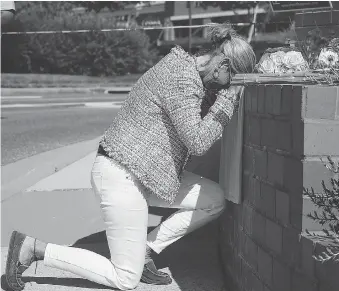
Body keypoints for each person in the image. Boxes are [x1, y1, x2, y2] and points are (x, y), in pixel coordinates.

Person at [5, 23, 255, 291]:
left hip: (148, 176)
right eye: (228, 81)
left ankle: (144, 251)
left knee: (213, 199)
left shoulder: (190, 73)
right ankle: (34, 249)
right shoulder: (182, 78)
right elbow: (198, 141)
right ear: (223, 64)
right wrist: (228, 100)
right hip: (122, 175)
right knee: (125, 279)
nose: (222, 88)